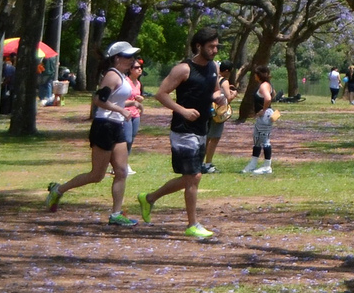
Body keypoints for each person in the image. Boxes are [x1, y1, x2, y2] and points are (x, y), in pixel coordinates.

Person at [46, 40, 145, 226]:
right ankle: (58, 190)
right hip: (104, 126)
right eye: (128, 56)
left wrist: (131, 104)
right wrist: (121, 110)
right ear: (117, 58)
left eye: (133, 56)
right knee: (97, 175)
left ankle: (116, 214)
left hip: (117, 126)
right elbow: (99, 100)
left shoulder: (123, 77)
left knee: (122, 171)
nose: (132, 60)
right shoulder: (112, 75)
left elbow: (115, 100)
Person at [138, 27, 223, 240]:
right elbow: (161, 94)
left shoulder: (213, 67)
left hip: (202, 127)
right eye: (211, 46)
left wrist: (219, 97)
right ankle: (192, 224)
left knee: (189, 178)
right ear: (198, 46)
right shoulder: (183, 69)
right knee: (195, 176)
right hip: (183, 130)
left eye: (216, 46)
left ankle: (149, 198)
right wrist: (182, 111)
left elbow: (212, 91)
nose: (215, 50)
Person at [201, 62, 236, 174]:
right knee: (214, 138)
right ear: (226, 71)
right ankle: (208, 164)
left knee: (205, 137)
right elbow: (228, 98)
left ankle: (199, 163)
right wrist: (233, 93)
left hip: (208, 109)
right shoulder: (224, 81)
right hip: (218, 113)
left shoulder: (211, 78)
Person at [241, 66, 276, 174]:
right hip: (263, 116)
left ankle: (267, 166)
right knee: (257, 139)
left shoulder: (264, 86)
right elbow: (273, 95)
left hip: (265, 116)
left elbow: (268, 98)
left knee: (265, 140)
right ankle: (253, 163)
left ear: (259, 75)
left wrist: (263, 110)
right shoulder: (267, 85)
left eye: (255, 74)